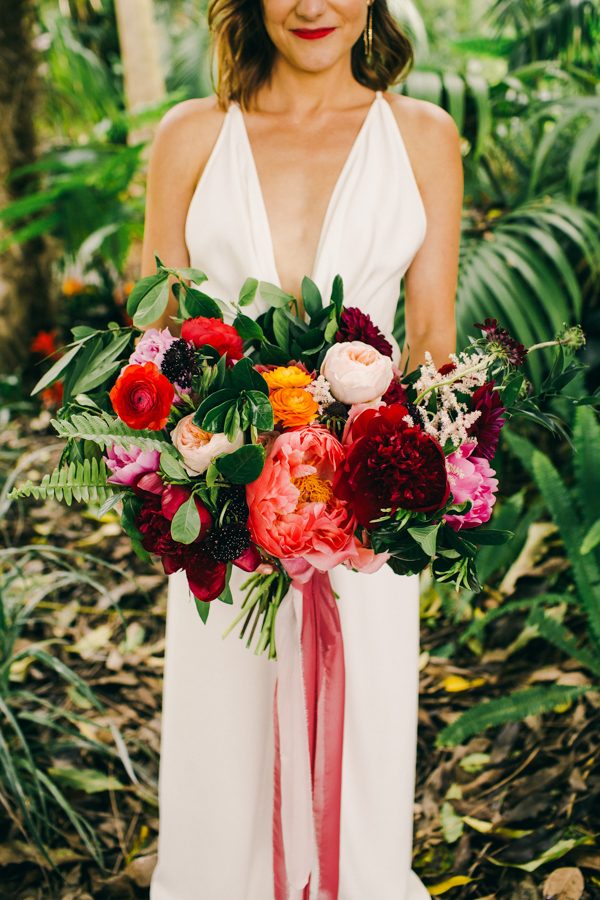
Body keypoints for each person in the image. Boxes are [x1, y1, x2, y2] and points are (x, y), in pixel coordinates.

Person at [144, 1, 462, 897]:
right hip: (222, 515)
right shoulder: (190, 137)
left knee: (355, 755)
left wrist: (436, 477)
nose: (312, 6)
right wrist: (188, 464)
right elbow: (151, 343)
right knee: (224, 754)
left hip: (365, 527)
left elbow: (433, 340)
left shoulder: (422, 137)